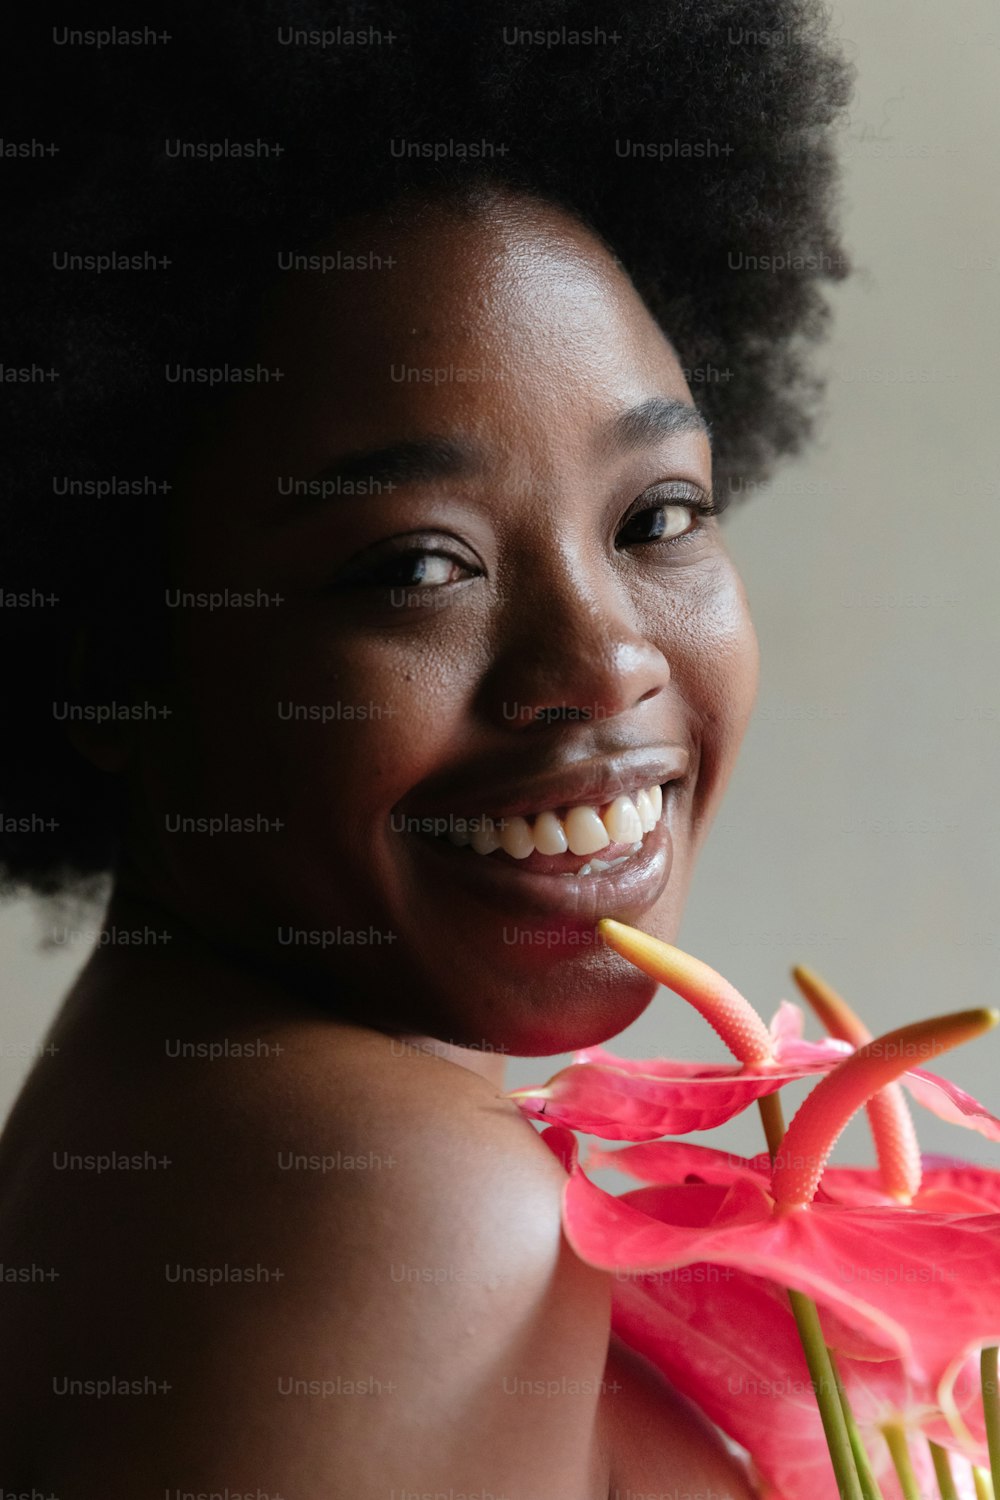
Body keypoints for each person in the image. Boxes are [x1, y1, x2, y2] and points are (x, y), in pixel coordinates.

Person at [0, 3, 852, 1491]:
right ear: (112, 658)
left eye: (658, 518)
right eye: (416, 567)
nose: (601, 660)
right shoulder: (390, 1197)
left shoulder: (174, 1120)